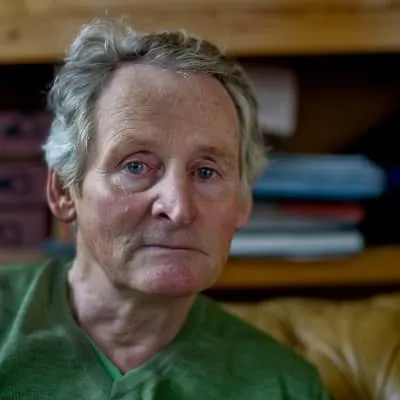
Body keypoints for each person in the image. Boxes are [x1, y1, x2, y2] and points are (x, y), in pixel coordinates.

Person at [0, 18, 332, 399]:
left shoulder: (285, 387)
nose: (178, 208)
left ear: (243, 203)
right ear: (63, 190)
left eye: (206, 172)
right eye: (136, 167)